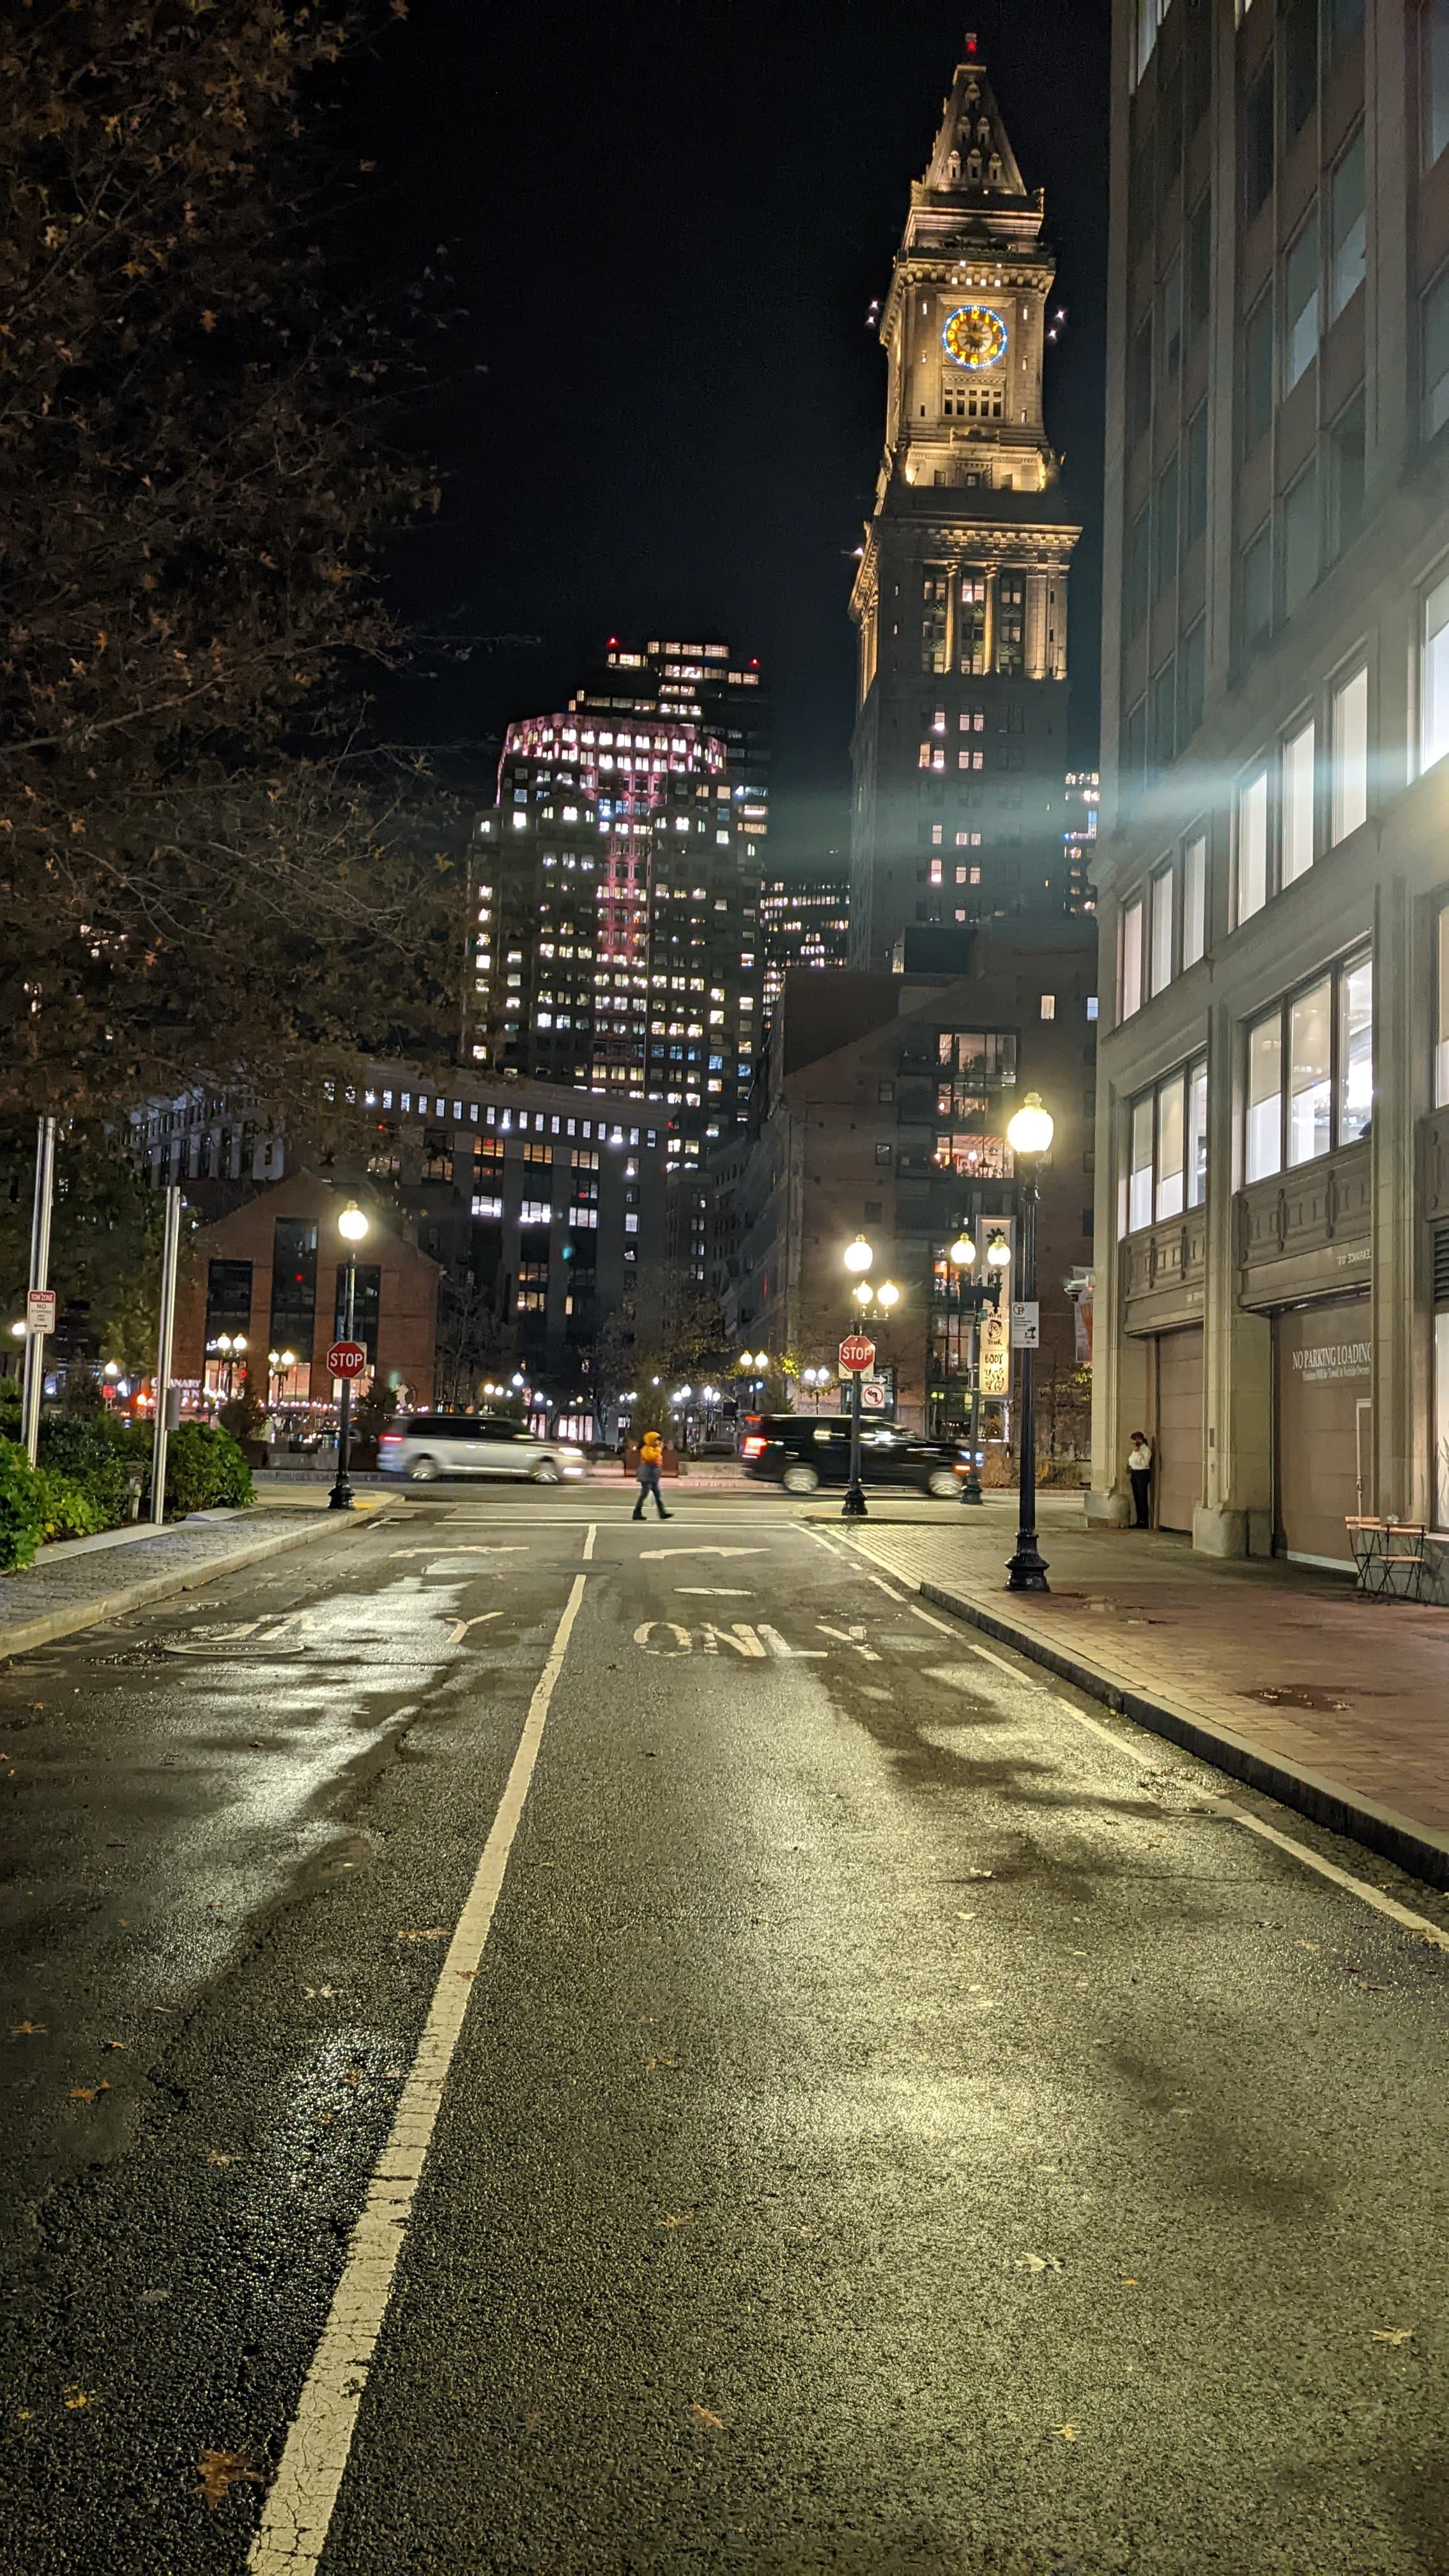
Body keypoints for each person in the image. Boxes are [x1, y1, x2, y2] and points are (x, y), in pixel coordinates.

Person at [632, 1425, 671, 1522]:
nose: (659, 1442)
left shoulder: (653, 1449)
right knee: (644, 1494)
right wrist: (659, 1449)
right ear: (652, 1440)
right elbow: (652, 1458)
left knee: (658, 1495)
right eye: (657, 1440)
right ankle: (637, 1513)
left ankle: (662, 1513)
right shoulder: (646, 1448)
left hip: (653, 1476)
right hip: (647, 1475)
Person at [1126, 1430, 1153, 1529]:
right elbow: (1132, 1460)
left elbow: (1145, 1463)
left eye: (1134, 1442)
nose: (1133, 1444)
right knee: (1137, 1498)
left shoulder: (1146, 1450)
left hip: (1142, 1474)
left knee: (1142, 1497)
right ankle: (1138, 1519)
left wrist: (1138, 1452)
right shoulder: (1134, 1451)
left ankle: (1144, 1521)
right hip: (1135, 1473)